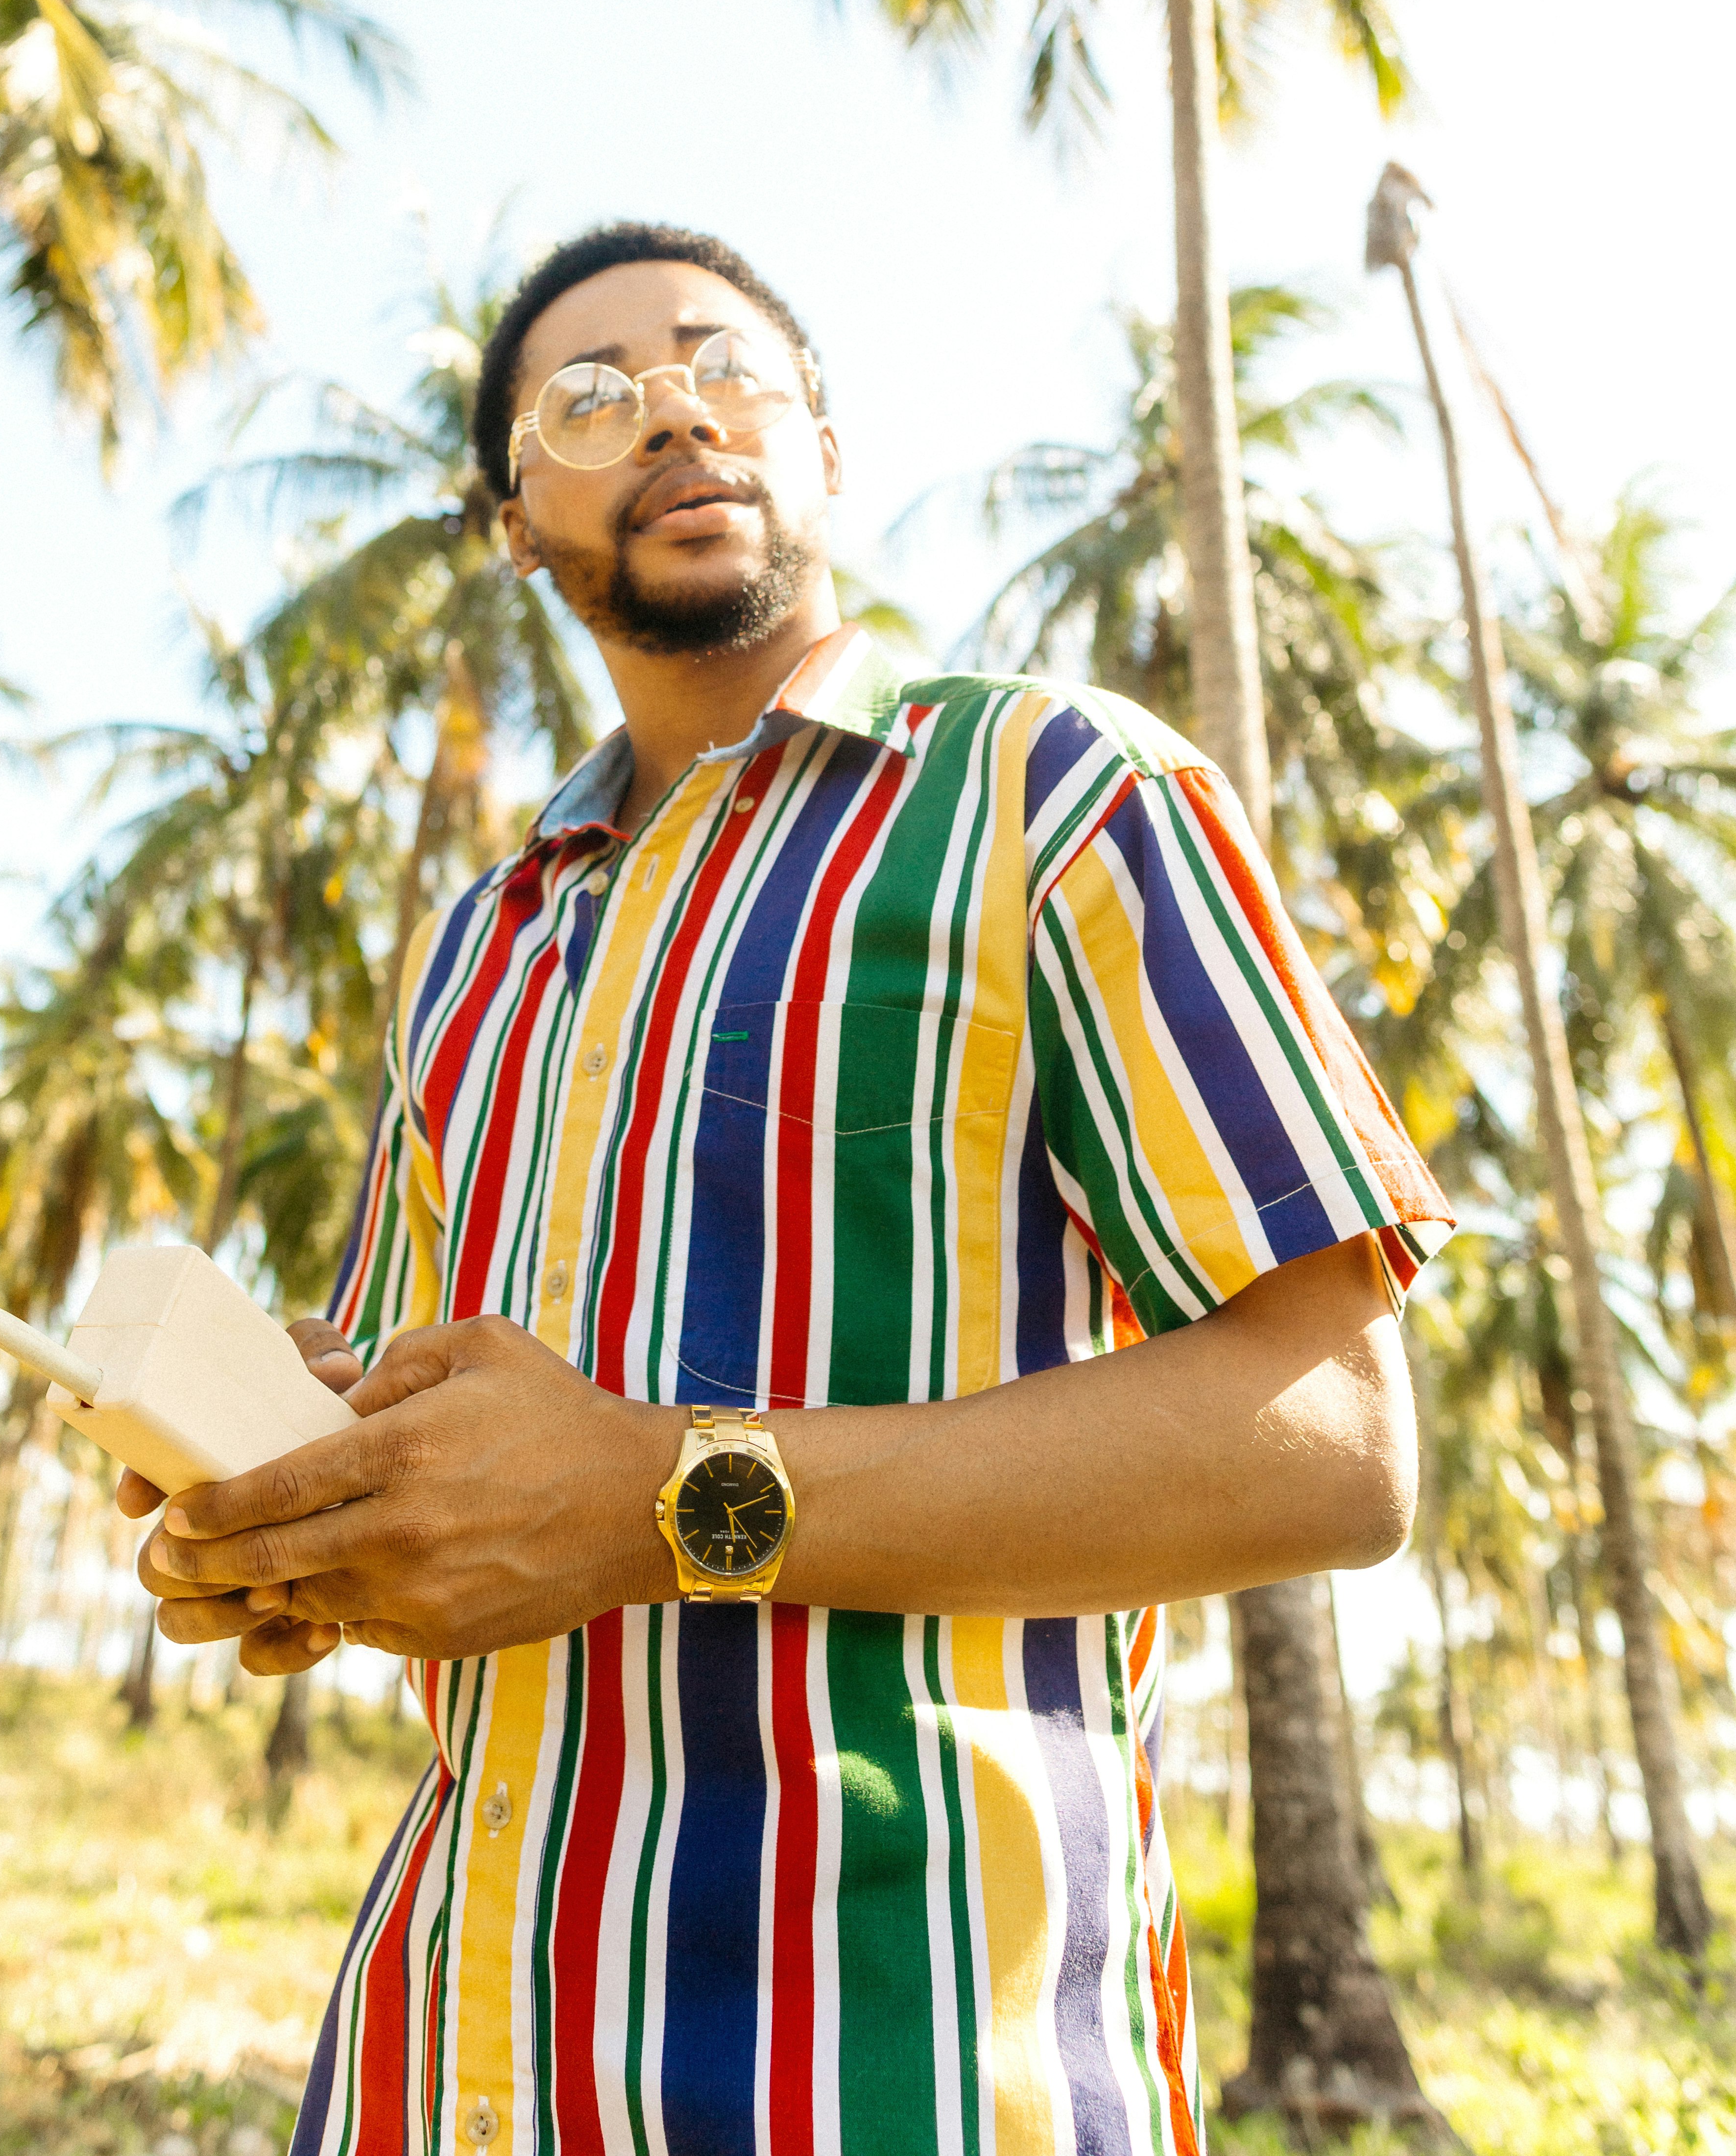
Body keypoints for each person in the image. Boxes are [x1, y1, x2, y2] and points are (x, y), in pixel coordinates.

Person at [130, 221, 1451, 2156]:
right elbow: (451, 1464)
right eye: (588, 398)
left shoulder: (1060, 793)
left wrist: (667, 1500)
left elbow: (1333, 1444)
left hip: (905, 2080)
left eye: (721, 364)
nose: (668, 406)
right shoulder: (479, 945)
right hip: (442, 2070)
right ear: (515, 523)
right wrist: (285, 1510)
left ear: (818, 441)